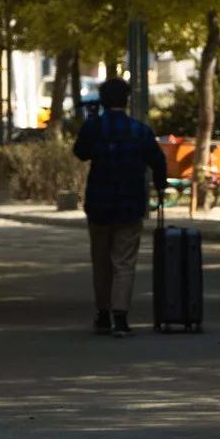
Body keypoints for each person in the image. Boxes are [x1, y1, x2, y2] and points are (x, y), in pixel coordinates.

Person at [73, 77, 167, 337]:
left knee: (101, 260)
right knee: (124, 261)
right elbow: (158, 160)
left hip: (99, 204)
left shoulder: (95, 128)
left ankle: (103, 315)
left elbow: (80, 152)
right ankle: (121, 316)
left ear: (102, 100)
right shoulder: (139, 130)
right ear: (126, 100)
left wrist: (90, 121)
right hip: (130, 204)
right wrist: (160, 186)